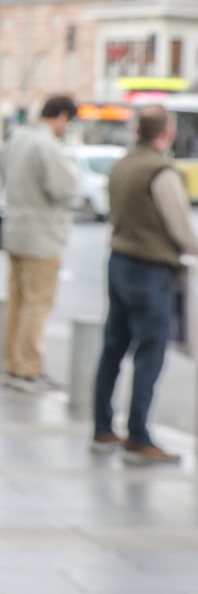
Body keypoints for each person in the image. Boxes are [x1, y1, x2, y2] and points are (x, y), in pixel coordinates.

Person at [89, 105, 197, 465]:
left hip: (119, 261)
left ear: (137, 131)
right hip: (150, 269)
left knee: (113, 348)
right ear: (167, 134)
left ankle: (103, 425)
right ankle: (138, 434)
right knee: (150, 353)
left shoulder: (121, 164)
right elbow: (180, 228)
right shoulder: (161, 171)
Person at [0, 94, 79, 392]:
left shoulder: (17, 138)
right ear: (62, 117)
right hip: (42, 235)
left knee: (17, 301)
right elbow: (64, 187)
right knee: (37, 303)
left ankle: (12, 362)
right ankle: (29, 368)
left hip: (15, 230)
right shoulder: (46, 145)